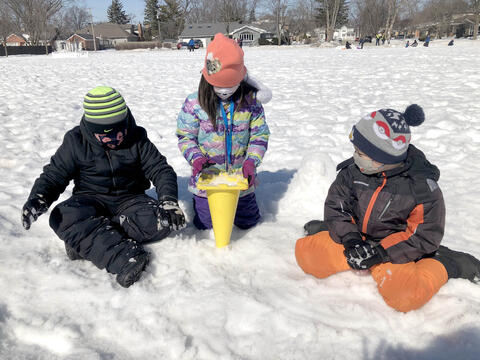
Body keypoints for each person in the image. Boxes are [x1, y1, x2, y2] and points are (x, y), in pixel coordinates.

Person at [296, 105, 480, 312]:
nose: (355, 156)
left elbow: (424, 235)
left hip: (395, 250)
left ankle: (447, 262)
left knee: (405, 296)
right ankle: (329, 231)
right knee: (307, 255)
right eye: (356, 150)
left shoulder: (420, 188)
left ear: (384, 157)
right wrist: (350, 239)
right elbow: (336, 205)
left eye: (361, 152)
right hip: (359, 241)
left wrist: (382, 253)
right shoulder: (353, 172)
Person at [21, 86, 186, 288]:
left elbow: (160, 169)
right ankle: (126, 258)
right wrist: (39, 197)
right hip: (91, 200)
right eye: (106, 136)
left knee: (163, 221)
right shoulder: (75, 141)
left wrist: (168, 201)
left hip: (131, 200)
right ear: (92, 130)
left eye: (120, 132)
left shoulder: (137, 138)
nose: (115, 139)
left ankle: (86, 241)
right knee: (61, 216)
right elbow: (54, 175)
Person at [176, 33, 271, 231]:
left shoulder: (250, 102)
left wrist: (251, 161)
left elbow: (259, 135)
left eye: (230, 85)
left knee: (249, 223)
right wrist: (196, 158)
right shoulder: (194, 103)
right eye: (219, 85)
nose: (224, 91)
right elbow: (185, 136)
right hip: (207, 183)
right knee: (207, 226)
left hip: (240, 180)